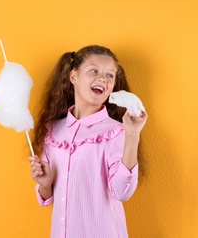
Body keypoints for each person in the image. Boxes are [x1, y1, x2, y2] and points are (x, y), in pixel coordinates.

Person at [29, 45, 148, 238]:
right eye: (94, 71)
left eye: (110, 75)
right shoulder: (53, 131)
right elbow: (47, 197)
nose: (103, 78)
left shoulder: (115, 132)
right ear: (73, 76)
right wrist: (45, 183)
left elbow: (122, 192)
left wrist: (132, 134)